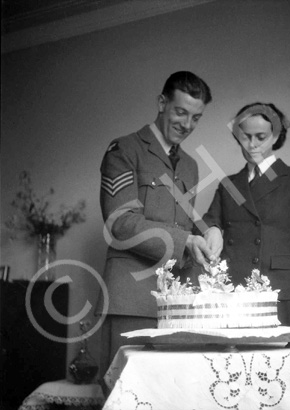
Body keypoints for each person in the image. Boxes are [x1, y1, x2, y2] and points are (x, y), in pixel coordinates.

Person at [96, 71, 214, 376]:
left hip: (175, 305)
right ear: (162, 103)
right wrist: (185, 241)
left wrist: (207, 233)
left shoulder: (190, 164)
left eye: (196, 118)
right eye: (180, 112)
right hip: (130, 300)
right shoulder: (124, 150)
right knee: (124, 396)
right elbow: (120, 223)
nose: (187, 125)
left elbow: (180, 223)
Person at [203, 102, 290, 346]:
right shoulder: (229, 184)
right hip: (233, 300)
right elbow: (210, 220)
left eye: (261, 137)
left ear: (276, 136)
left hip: (280, 299)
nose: (252, 145)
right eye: (245, 137)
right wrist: (214, 229)